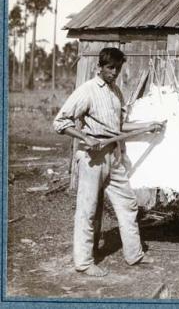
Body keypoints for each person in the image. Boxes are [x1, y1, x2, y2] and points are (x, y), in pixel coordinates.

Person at [53, 47, 164, 277]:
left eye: (117, 68)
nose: (114, 72)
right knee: (88, 210)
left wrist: (146, 126)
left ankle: (134, 255)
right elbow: (60, 122)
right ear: (100, 67)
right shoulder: (87, 91)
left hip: (113, 155)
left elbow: (119, 127)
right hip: (92, 157)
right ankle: (84, 263)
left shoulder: (116, 93)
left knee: (128, 204)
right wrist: (85, 137)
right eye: (109, 67)